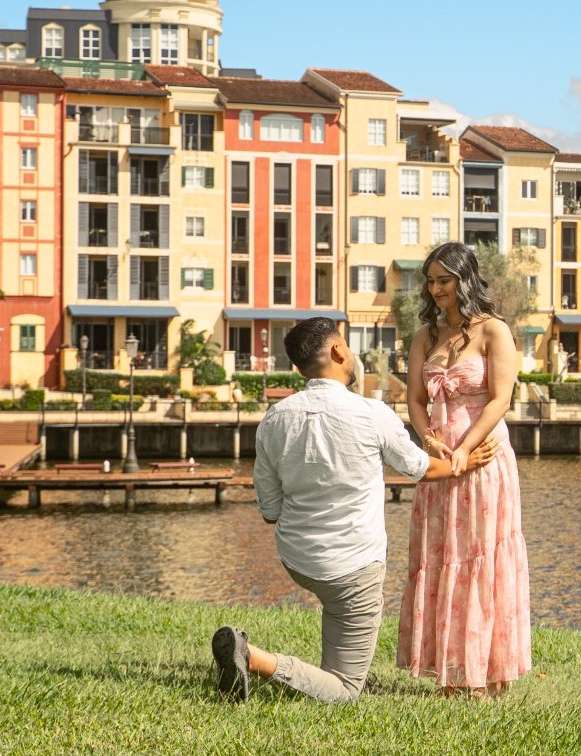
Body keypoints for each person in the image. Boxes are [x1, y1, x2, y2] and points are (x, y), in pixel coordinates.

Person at [211, 316, 498, 703]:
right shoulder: (371, 413)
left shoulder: (273, 419)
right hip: (353, 568)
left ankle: (305, 658)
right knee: (345, 689)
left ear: (299, 367)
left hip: (297, 560)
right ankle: (252, 657)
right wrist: (467, 460)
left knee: (336, 610)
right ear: (338, 351)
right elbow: (421, 467)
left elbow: (270, 511)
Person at [400, 242, 531, 697]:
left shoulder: (494, 330)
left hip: (484, 456)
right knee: (441, 557)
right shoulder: (424, 336)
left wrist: (466, 449)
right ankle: (449, 673)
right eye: (431, 281)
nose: (436, 289)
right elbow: (415, 400)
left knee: (481, 557)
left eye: (445, 280)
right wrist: (429, 440)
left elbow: (501, 399)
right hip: (439, 460)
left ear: (465, 279)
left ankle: (486, 674)